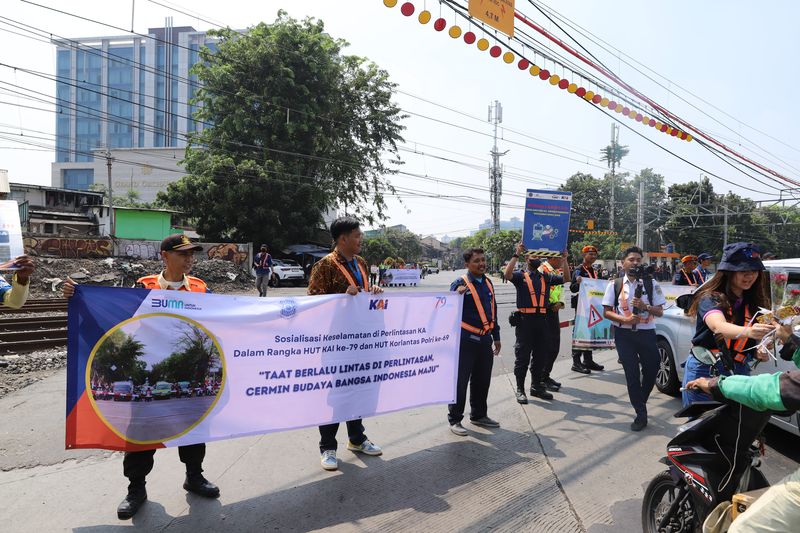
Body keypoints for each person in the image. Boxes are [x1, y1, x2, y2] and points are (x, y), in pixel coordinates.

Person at [62, 234, 219, 520]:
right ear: (164, 256)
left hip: (182, 368)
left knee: (195, 430)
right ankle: (136, 489)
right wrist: (79, 297)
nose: (189, 259)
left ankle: (194, 477)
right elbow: (117, 318)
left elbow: (223, 320)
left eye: (192, 254)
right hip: (149, 367)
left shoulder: (200, 288)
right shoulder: (143, 286)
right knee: (140, 437)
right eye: (183, 254)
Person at [685, 323, 800, 533]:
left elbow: (770, 390)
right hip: (722, 375)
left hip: (729, 380)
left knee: (742, 528)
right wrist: (791, 342)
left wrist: (716, 384)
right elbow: (716, 324)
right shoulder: (713, 301)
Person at [307, 216, 384, 471]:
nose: (360, 239)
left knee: (359, 389)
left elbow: (363, 297)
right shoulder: (324, 266)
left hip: (361, 340)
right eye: (357, 235)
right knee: (337, 394)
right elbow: (314, 304)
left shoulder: (361, 263)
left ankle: (357, 438)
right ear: (342, 239)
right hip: (337, 343)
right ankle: (328, 446)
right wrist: (341, 297)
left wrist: (373, 294)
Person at [680, 242, 774, 407]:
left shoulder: (756, 302)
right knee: (702, 427)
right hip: (707, 370)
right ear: (728, 272)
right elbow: (718, 327)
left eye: (754, 271)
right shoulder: (709, 298)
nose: (749, 276)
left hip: (740, 372)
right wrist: (751, 331)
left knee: (734, 426)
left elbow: (759, 338)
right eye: (743, 271)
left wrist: (761, 348)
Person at [602, 246, 666, 431]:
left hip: (647, 333)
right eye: (631, 259)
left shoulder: (650, 283)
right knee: (631, 375)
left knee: (652, 369)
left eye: (639, 259)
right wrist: (625, 320)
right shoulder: (614, 284)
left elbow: (660, 312)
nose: (636, 262)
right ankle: (641, 414)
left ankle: (640, 403)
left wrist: (645, 307)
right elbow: (606, 312)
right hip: (624, 335)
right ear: (623, 263)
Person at [504, 243, 571, 403]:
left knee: (540, 356)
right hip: (525, 322)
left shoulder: (546, 277)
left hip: (542, 321)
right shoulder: (521, 276)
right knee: (522, 357)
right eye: (533, 256)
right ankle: (520, 389)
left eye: (539, 257)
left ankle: (536, 387)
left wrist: (565, 259)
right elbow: (507, 275)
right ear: (527, 258)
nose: (537, 259)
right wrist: (516, 254)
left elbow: (567, 279)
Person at [448, 248, 502, 435]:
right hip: (465, 341)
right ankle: (455, 419)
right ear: (467, 265)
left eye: (483, 260)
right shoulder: (459, 284)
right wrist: (457, 296)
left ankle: (479, 415)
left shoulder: (488, 283)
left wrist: (497, 336)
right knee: (460, 382)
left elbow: (493, 311)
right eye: (476, 261)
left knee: (482, 380)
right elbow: (447, 311)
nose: (481, 264)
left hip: (484, 339)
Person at [569, 245, 606, 374]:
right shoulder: (579, 270)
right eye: (591, 254)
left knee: (589, 334)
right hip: (581, 307)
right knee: (580, 333)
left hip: (592, 306)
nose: (593, 257)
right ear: (584, 255)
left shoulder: (594, 270)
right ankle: (576, 363)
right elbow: (572, 288)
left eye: (595, 255)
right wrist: (578, 282)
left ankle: (588, 361)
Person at [541, 259, 564, 392]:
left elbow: (562, 289)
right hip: (544, 311)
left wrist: (560, 303)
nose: (562, 261)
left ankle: (546, 375)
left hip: (554, 311)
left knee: (554, 346)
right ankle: (541, 378)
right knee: (546, 347)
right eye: (561, 257)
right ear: (553, 257)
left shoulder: (557, 271)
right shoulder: (542, 269)